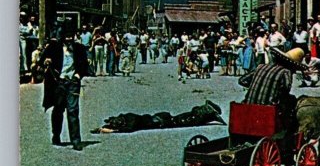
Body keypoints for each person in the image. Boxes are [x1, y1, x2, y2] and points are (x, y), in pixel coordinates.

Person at [41, 27, 89, 151]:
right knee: (58, 109)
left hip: (73, 82)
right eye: (66, 37)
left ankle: (76, 141)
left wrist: (78, 75)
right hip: (59, 83)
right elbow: (42, 60)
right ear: (62, 37)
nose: (68, 39)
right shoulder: (53, 48)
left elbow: (84, 64)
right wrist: (46, 61)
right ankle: (56, 135)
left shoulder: (79, 48)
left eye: (71, 36)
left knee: (73, 110)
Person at [91, 100, 225, 134]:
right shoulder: (127, 116)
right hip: (159, 117)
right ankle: (206, 113)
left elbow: (128, 129)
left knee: (186, 121)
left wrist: (112, 130)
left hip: (159, 121)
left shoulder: (130, 121)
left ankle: (207, 112)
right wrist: (105, 128)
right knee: (184, 118)